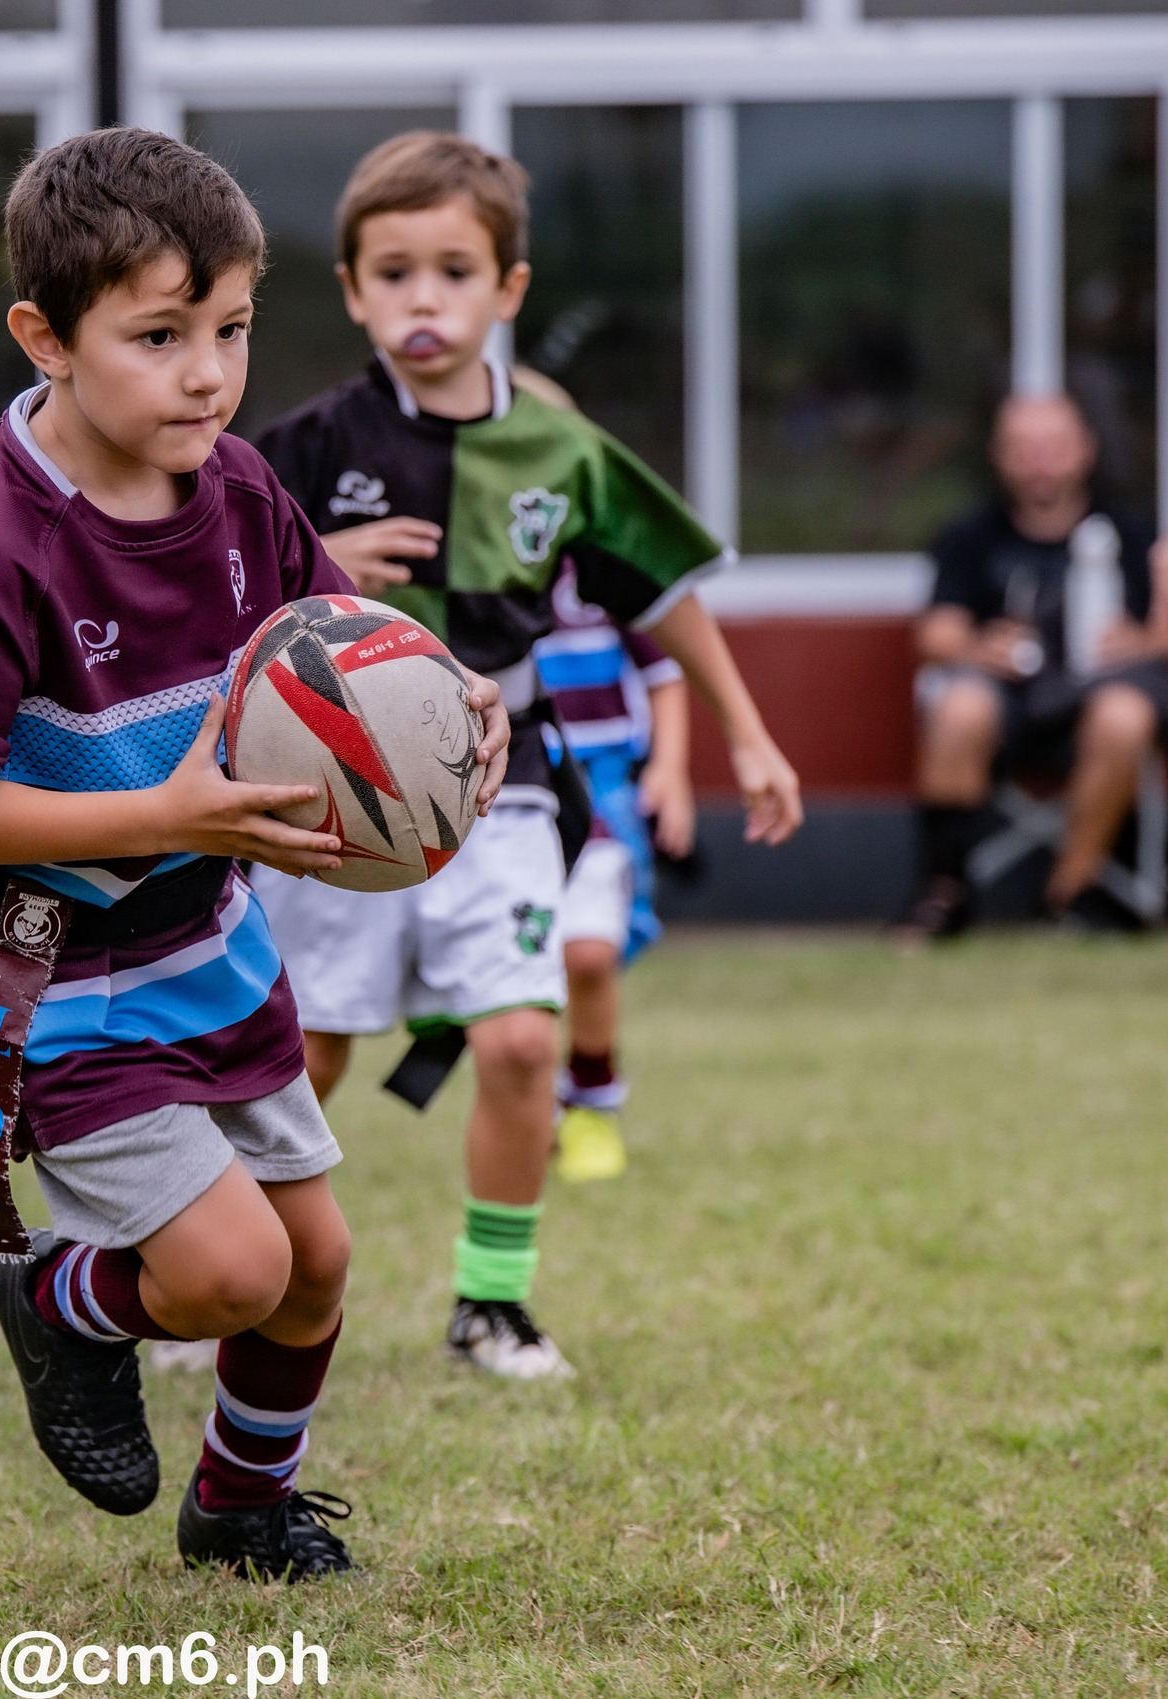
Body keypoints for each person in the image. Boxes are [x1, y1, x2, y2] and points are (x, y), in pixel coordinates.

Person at [0, 129, 510, 1582]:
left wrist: (452, 703)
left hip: (203, 940)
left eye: (230, 329)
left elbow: (342, 650)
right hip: (41, 968)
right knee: (230, 1272)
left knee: (315, 1264)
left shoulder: (241, 491)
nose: (208, 375)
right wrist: (171, 815)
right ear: (46, 337)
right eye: (159, 337)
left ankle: (242, 1506)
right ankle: (56, 1305)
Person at [253, 130, 801, 1380]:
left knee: (516, 1043)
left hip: (499, 779)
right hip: (329, 794)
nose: (423, 299)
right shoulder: (300, 450)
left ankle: (490, 1303)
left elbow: (662, 595)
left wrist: (748, 732)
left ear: (506, 288)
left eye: (453, 271)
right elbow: (200, 591)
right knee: (308, 1054)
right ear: (350, 291)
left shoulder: (563, 453)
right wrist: (318, 568)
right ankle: (239, 1277)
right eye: (392, 273)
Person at [898, 393, 1168, 938]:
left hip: (1096, 713)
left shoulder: (1133, 535)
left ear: (1086, 450)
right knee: (961, 705)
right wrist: (980, 647)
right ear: (998, 455)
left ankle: (1071, 893)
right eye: (1023, 449)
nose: (1039, 463)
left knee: (1125, 713)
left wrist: (1139, 641)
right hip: (1006, 709)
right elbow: (934, 634)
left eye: (1053, 447)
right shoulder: (971, 536)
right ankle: (942, 891)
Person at [537, 555, 694, 1184]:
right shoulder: (473, 555)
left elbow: (665, 669)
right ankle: (534, 1106)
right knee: (521, 964)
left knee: (590, 954)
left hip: (599, 787)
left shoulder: (602, 563)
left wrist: (669, 770)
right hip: (504, 782)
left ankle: (592, 1105)